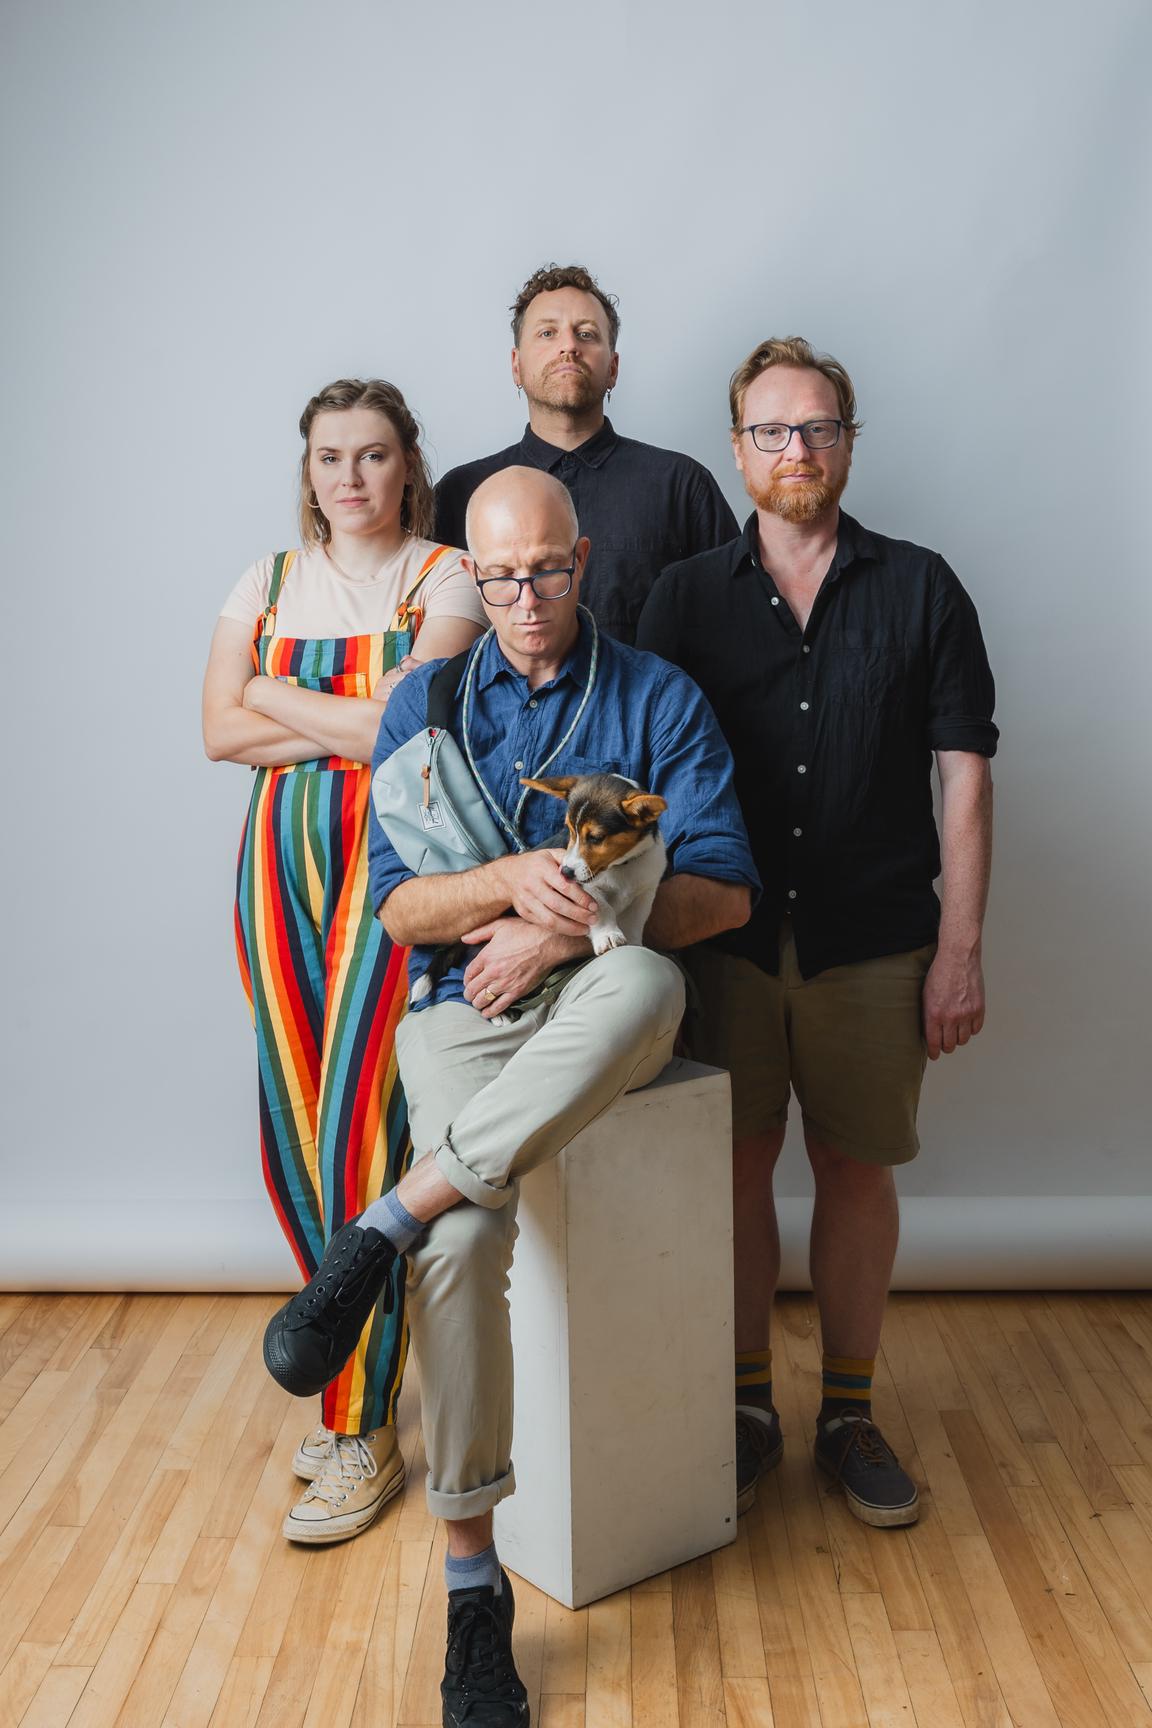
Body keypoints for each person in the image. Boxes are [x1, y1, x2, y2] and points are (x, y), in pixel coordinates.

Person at [263, 467, 759, 1725]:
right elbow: (398, 907)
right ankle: (475, 1593)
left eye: (546, 570)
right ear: (467, 577)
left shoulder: (659, 696)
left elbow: (726, 891)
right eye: (499, 577)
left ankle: (385, 1217)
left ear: (583, 560)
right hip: (461, 1017)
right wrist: (514, 881)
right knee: (463, 1244)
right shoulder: (424, 701)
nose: (525, 599)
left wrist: (573, 922)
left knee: (650, 987)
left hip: (596, 1001)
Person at [637, 337, 997, 1530]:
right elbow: (645, 781)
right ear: (738, 449)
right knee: (736, 1171)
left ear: (849, 440)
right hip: (724, 944)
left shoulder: (923, 586)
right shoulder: (682, 597)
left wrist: (960, 949)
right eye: (774, 432)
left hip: (877, 937)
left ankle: (848, 1413)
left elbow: (963, 779)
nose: (799, 451)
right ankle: (748, 1411)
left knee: (854, 1168)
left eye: (820, 429)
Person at [202, 379, 486, 1544]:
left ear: (409, 464)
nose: (352, 478)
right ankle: (353, 1393)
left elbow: (406, 731)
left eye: (374, 456)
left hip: (389, 864)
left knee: (360, 1124)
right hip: (274, 870)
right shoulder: (263, 582)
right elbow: (216, 732)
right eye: (332, 458)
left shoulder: (448, 574)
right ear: (307, 469)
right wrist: (338, 707)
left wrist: (276, 686)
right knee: (289, 1122)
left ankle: (359, 1427)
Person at [433, 262, 738, 645]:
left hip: (650, 705)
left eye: (586, 334)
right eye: (547, 333)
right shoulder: (461, 493)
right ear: (516, 366)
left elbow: (736, 624)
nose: (568, 346)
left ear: (612, 368)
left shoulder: (680, 486)